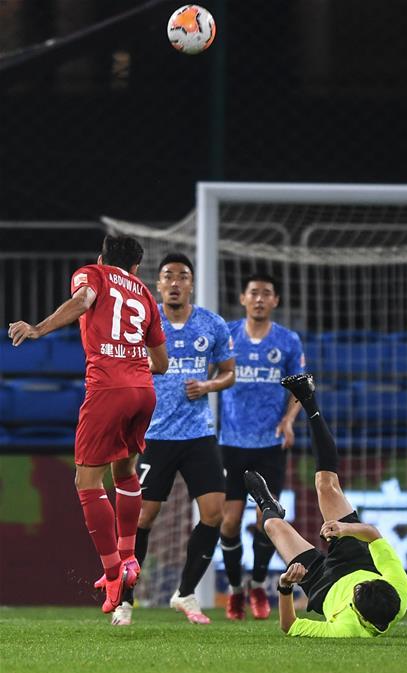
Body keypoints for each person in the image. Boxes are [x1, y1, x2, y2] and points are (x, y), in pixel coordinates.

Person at [7, 235, 168, 614]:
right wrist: (131, 361)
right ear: (136, 267)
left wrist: (38, 329)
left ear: (101, 258)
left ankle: (112, 573)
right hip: (143, 392)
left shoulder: (93, 274)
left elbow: (82, 301)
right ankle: (129, 557)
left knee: (87, 482)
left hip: (108, 389)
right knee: (125, 472)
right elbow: (162, 364)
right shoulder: (145, 295)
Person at [107, 252, 236, 626]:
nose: (175, 282)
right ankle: (125, 599)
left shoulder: (211, 324)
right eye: (168, 276)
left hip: (198, 434)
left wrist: (209, 385)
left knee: (214, 513)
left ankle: (185, 592)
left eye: (182, 276)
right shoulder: (143, 321)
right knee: (141, 517)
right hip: (153, 434)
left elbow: (229, 372)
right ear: (158, 283)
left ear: (191, 283)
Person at [244, 373, 407, 637]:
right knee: (326, 484)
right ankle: (308, 398)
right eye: (365, 584)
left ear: (358, 613)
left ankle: (266, 503)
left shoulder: (345, 629)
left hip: (324, 584)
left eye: (356, 593)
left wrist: (285, 586)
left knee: (273, 526)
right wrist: (345, 529)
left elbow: (290, 626)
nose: (356, 587)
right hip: (358, 559)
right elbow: (373, 535)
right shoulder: (399, 587)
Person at [219, 273, 304, 621]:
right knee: (228, 523)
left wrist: (289, 421)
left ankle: (256, 585)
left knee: (266, 521)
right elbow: (208, 373)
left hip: (269, 445)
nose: (259, 299)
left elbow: (300, 386)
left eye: (266, 293)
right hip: (230, 443)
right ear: (243, 298)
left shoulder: (287, 340)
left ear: (275, 301)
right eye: (253, 293)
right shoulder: (227, 335)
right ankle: (235, 589)